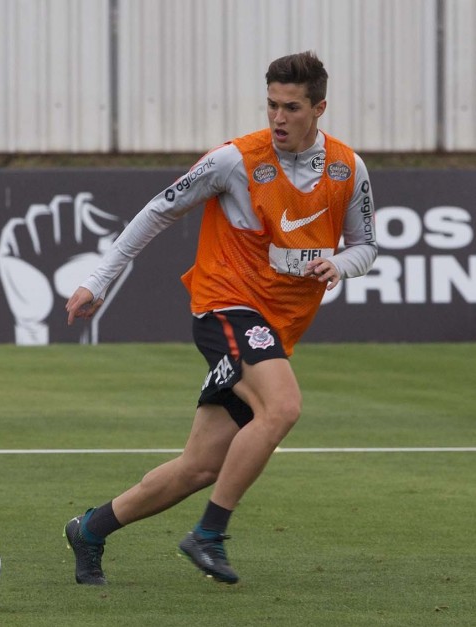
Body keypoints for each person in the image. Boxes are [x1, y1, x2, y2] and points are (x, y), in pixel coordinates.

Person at [63, 51, 377, 586]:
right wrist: (99, 279)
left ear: (319, 108)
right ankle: (209, 533)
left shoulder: (348, 168)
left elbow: (366, 245)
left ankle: (90, 529)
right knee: (281, 408)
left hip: (275, 330)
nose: (278, 117)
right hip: (224, 306)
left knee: (200, 467)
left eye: (292, 107)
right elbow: (159, 209)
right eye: (272, 105)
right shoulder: (234, 160)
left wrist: (340, 264)